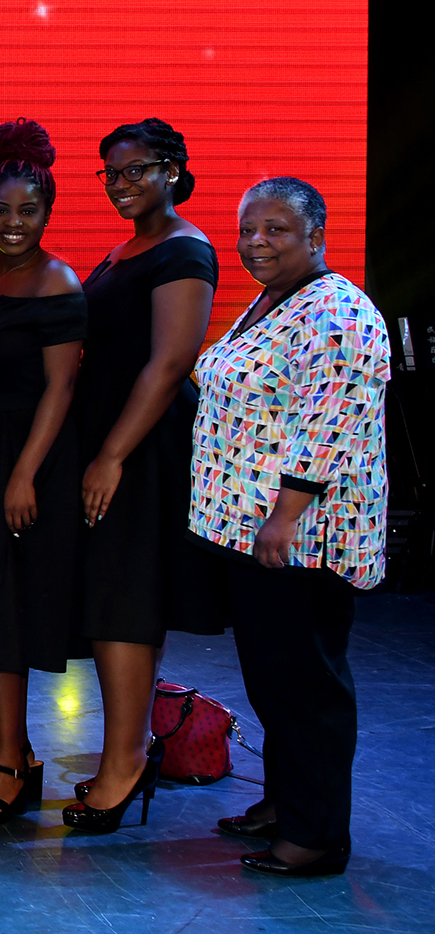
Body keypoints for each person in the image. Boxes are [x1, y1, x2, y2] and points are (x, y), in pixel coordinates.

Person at [190, 178, 389, 877]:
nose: (257, 242)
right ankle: (286, 802)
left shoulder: (336, 310)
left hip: (300, 540)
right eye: (248, 229)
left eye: (275, 229)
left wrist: (285, 519)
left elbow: (328, 427)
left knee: (308, 689)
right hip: (256, 535)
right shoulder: (276, 301)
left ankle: (316, 838)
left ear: (316, 235)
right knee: (276, 682)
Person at [64, 118, 227, 832]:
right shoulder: (128, 250)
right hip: (113, 443)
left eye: (138, 169)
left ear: (174, 170)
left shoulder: (185, 251)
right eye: (112, 173)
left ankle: (126, 760)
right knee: (113, 605)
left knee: (126, 605)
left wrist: (111, 456)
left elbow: (167, 366)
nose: (124, 183)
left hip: (142, 450)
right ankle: (124, 752)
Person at [0, 121, 86, 825]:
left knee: (13, 615)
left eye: (27, 211)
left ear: (48, 210)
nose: (14, 223)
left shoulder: (58, 280)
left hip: (32, 466)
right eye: (2, 210)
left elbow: (61, 390)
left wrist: (23, 476)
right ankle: (16, 756)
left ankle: (12, 758)